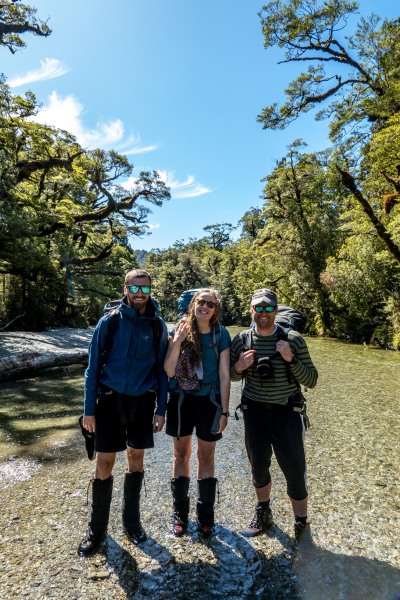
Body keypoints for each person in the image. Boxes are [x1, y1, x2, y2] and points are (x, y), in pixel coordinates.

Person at [78, 269, 168, 556]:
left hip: (142, 401)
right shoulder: (110, 322)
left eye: (145, 289)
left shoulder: (157, 326)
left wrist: (161, 409)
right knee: (104, 463)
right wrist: (88, 411)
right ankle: (97, 529)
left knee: (136, 459)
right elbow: (92, 369)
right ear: (125, 289)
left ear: (151, 290)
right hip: (108, 399)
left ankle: (132, 523)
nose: (140, 294)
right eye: (135, 288)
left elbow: (162, 372)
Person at [230, 288, 318, 542]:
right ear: (251, 310)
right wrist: (239, 366)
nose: (263, 312)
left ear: (276, 311)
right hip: (254, 412)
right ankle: (263, 513)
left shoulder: (294, 339)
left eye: (269, 308)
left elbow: (311, 380)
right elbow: (232, 377)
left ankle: (301, 524)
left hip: (287, 412)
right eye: (259, 307)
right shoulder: (242, 340)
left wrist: (290, 360)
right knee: (258, 467)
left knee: (294, 469)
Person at [164, 288, 231, 537]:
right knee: (180, 456)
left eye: (210, 304)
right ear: (193, 304)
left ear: (216, 310)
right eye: (201, 302)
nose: (205, 306)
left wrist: (224, 412)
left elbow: (225, 376)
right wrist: (178, 342)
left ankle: (206, 518)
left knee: (206, 458)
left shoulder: (221, 334)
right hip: (181, 400)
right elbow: (169, 371)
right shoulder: (179, 330)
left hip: (209, 402)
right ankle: (179, 516)